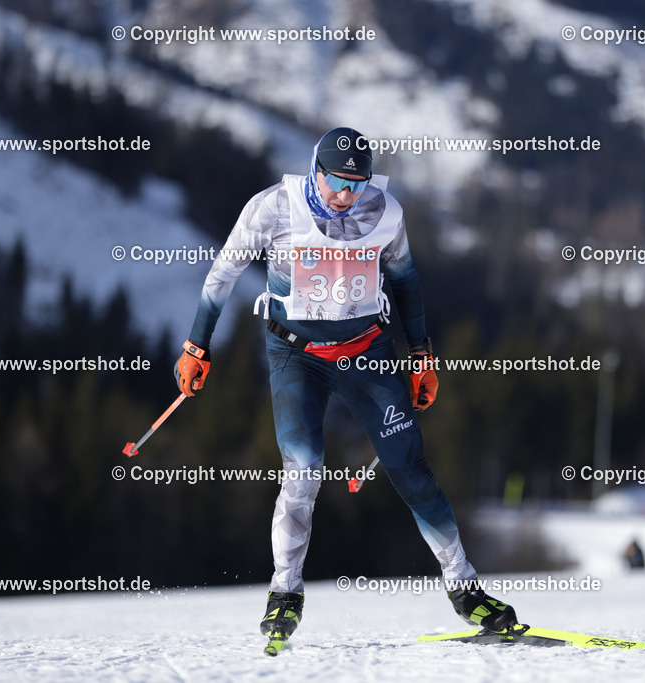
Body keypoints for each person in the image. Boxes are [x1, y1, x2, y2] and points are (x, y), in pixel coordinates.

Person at [175, 127, 520, 641]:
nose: (345, 195)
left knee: (412, 470)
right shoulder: (272, 208)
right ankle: (284, 593)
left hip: (366, 350)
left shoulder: (386, 212)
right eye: (336, 181)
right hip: (296, 354)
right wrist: (196, 346)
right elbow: (223, 273)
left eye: (356, 185)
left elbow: (405, 281)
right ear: (315, 170)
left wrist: (421, 356)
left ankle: (464, 589)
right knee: (304, 470)